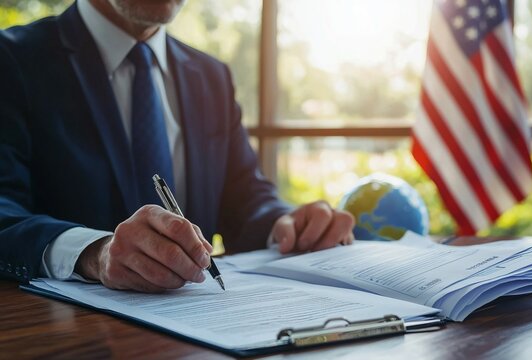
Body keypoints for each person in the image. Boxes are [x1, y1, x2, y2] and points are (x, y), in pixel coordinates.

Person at [0, 0, 355, 293]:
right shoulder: (12, 61)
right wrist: (95, 253)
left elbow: (245, 196)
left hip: (201, 332)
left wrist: (286, 220)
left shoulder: (211, 76)